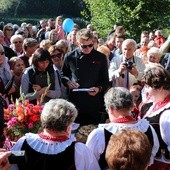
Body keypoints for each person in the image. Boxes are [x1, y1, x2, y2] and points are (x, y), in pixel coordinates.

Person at [9, 99, 100, 170]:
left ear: (42, 122)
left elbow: (10, 167)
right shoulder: (80, 151)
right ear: (68, 126)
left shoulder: (23, 142)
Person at [86, 87, 159, 170]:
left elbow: (90, 163)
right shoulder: (148, 128)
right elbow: (151, 158)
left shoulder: (99, 134)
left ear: (110, 109)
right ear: (132, 106)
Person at [61, 28, 109, 126]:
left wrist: (98, 88)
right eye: (84, 46)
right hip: (75, 100)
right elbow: (63, 75)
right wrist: (68, 82)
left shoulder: (100, 57)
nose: (87, 48)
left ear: (93, 42)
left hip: (94, 101)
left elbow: (105, 80)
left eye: (90, 45)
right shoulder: (70, 57)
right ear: (77, 43)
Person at [142, 63, 170, 170]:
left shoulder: (167, 114)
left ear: (160, 88)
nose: (146, 91)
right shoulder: (154, 102)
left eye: (148, 86)